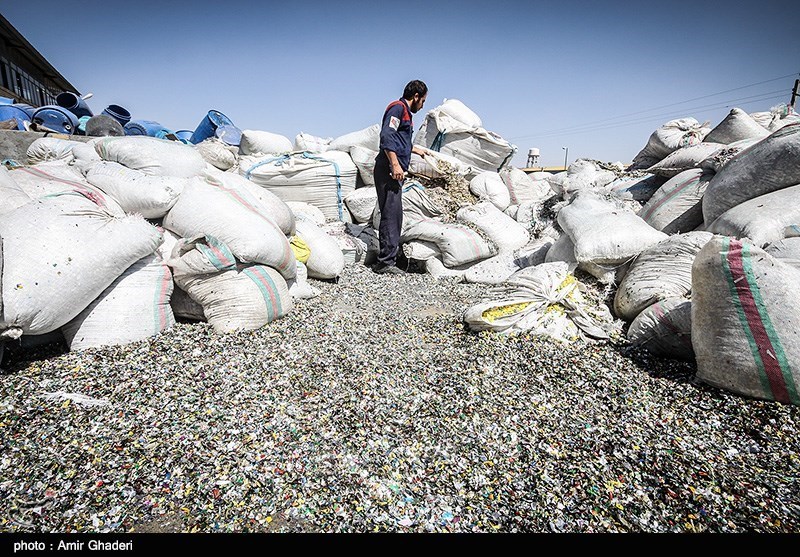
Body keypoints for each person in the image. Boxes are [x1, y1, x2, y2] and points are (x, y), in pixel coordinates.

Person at [372, 80, 429, 275]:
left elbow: (400, 141)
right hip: (388, 170)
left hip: (393, 171)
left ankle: (393, 255)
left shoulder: (405, 113)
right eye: (423, 101)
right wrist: (395, 164)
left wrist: (416, 149)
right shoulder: (397, 108)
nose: (422, 106)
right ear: (416, 96)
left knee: (395, 215)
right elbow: (387, 136)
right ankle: (385, 262)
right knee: (390, 214)